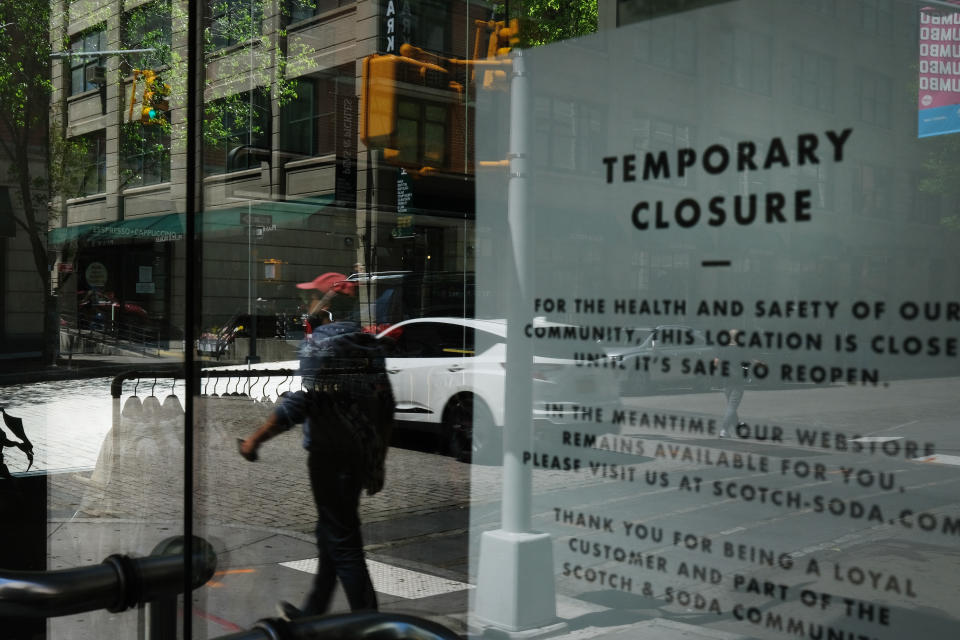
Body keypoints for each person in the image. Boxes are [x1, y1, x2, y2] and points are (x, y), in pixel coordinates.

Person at [239, 280, 394, 618]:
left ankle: (368, 624)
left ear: (323, 304)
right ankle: (312, 613)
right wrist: (377, 460)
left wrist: (256, 439)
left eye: (308, 298)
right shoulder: (369, 344)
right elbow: (385, 403)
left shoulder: (317, 346)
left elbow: (303, 402)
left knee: (343, 542)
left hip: (328, 458)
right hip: (356, 454)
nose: (304, 306)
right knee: (331, 535)